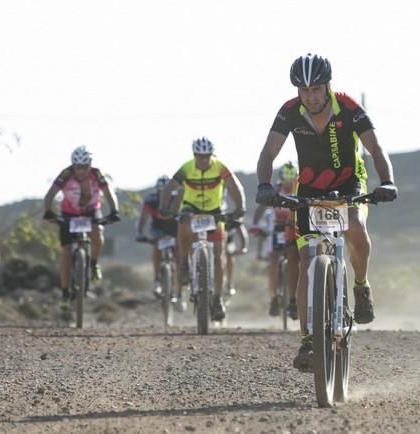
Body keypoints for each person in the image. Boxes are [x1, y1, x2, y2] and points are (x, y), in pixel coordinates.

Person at [255, 54, 398, 371]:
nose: (310, 96)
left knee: (356, 230)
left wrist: (387, 181)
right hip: (309, 190)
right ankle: (308, 340)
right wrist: (264, 184)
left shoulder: (348, 108)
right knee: (307, 262)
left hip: (349, 183)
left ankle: (360, 286)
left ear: (328, 86)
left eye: (316, 89)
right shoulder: (290, 112)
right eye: (303, 90)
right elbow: (268, 152)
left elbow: (375, 148)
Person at [159, 137, 246, 321]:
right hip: (191, 207)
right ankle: (183, 263)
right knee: (182, 223)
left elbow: (234, 187)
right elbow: (169, 188)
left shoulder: (220, 167)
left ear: (211, 155)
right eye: (199, 156)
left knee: (219, 256)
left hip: (215, 210)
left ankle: (217, 299)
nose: (203, 160)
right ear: (194, 155)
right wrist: (164, 206)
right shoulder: (186, 168)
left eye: (206, 156)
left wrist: (240, 208)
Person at [43, 145, 120, 310]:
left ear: (90, 165)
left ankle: (93, 264)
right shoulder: (66, 174)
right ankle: (65, 293)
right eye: (78, 167)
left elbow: (109, 193)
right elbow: (50, 194)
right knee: (66, 252)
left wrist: (115, 211)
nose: (81, 171)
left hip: (91, 211)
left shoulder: (97, 174)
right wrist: (48, 211)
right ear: (73, 165)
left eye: (84, 167)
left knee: (98, 231)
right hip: (69, 213)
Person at [251, 161, 300, 319]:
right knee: (273, 258)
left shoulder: (300, 188)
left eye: (292, 180)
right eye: (286, 180)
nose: (289, 183)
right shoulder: (275, 189)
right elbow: (261, 207)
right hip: (278, 229)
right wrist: (255, 224)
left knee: (299, 257)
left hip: (294, 227)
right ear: (281, 179)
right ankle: (273, 297)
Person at [135, 175, 182, 308]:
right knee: (157, 247)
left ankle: (180, 293)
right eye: (161, 191)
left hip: (175, 228)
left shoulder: (178, 199)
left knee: (179, 258)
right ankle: (157, 279)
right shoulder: (151, 200)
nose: (164, 195)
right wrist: (139, 232)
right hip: (158, 229)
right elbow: (143, 218)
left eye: (166, 192)